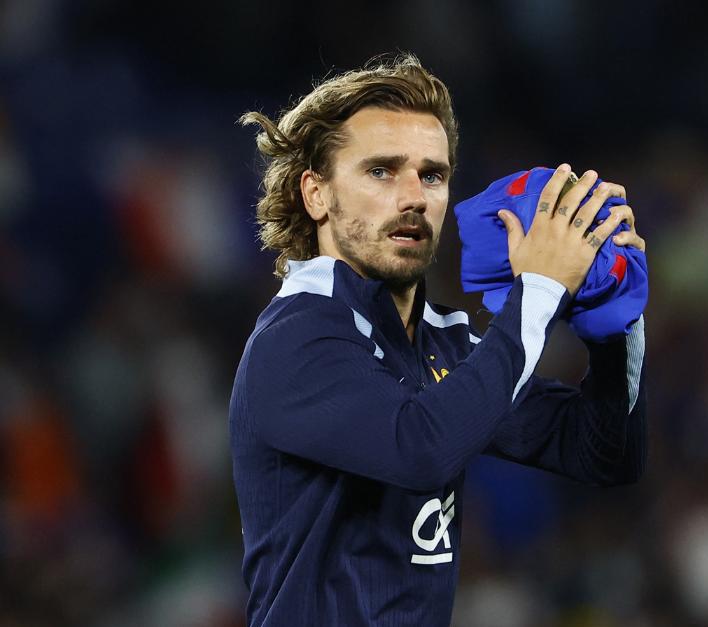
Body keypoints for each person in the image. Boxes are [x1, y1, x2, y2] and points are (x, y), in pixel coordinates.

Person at [229, 53, 649, 627]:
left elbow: (603, 452)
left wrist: (613, 324)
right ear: (316, 194)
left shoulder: (443, 343)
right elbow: (420, 448)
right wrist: (541, 288)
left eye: (432, 175)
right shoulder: (297, 338)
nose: (414, 197)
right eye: (381, 170)